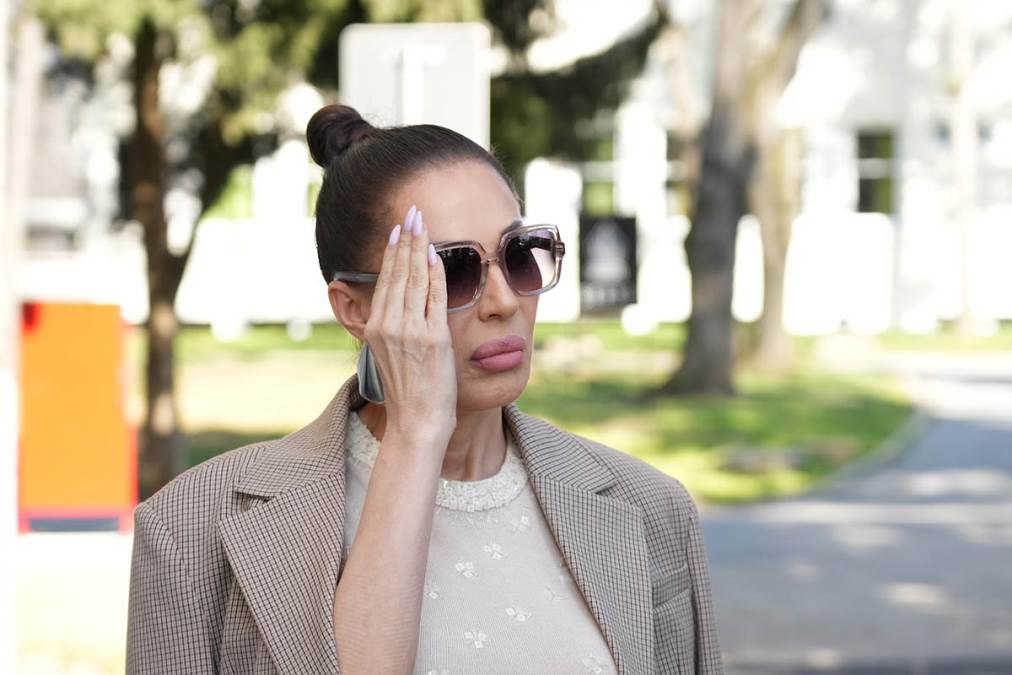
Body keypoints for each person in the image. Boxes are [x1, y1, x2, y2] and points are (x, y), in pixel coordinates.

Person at [125, 104, 723, 675]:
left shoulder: (651, 509)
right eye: (451, 270)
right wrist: (416, 435)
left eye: (520, 254)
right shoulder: (189, 529)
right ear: (356, 309)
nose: (504, 301)